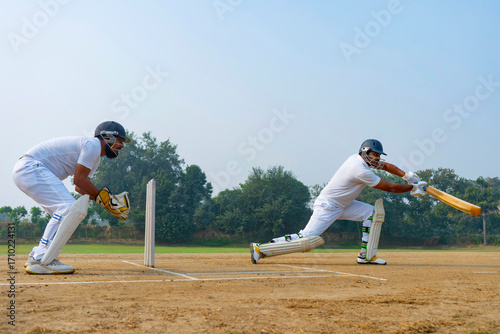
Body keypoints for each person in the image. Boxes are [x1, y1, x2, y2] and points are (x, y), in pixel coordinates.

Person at [250, 139, 428, 265]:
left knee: (372, 213)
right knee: (307, 239)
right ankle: (261, 248)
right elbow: (388, 187)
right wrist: (412, 188)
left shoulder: (361, 159)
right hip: (328, 206)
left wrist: (406, 175)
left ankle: (366, 256)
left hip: (343, 205)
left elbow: (387, 166)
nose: (378, 159)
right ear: (365, 153)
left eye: (379, 156)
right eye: (376, 155)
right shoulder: (360, 169)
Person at [13, 121, 131, 274]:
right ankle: (41, 259)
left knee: (65, 214)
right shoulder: (93, 145)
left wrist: (106, 202)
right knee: (68, 208)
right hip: (31, 167)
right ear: (108, 137)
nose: (122, 145)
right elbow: (79, 180)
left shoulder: (96, 158)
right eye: (120, 140)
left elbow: (79, 187)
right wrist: (108, 201)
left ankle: (38, 256)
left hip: (27, 170)